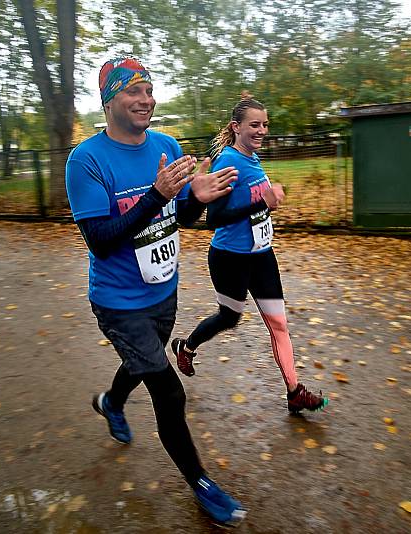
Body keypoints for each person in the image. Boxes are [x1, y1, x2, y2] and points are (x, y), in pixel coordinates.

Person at [65, 56, 246, 526]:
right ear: (110, 99)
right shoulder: (86, 160)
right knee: (168, 390)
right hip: (118, 302)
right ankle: (201, 483)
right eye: (133, 92)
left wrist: (198, 200)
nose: (146, 100)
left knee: (141, 362)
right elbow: (101, 243)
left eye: (149, 91)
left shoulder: (166, 145)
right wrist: (157, 196)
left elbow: (179, 218)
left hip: (163, 294)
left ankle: (111, 402)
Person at [171, 97, 328, 414]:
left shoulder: (254, 160)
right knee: (229, 317)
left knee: (279, 325)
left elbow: (258, 204)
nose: (261, 130)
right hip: (230, 258)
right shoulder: (228, 164)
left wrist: (265, 203)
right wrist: (263, 203)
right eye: (254, 125)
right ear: (236, 127)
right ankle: (185, 347)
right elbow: (213, 220)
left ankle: (294, 391)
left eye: (265, 124)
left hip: (262, 256)